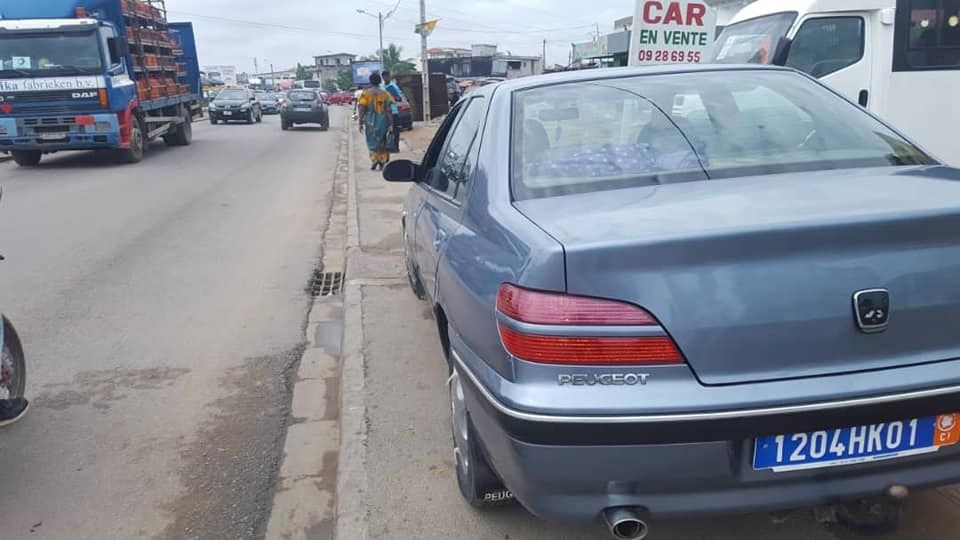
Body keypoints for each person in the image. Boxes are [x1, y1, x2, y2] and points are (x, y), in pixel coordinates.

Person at [358, 72, 395, 171]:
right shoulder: (385, 94)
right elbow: (389, 110)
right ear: (380, 81)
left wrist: (360, 122)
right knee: (382, 140)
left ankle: (374, 159)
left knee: (371, 141)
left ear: (370, 81)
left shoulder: (365, 93)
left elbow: (362, 109)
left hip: (370, 120)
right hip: (383, 121)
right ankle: (382, 160)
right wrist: (391, 124)